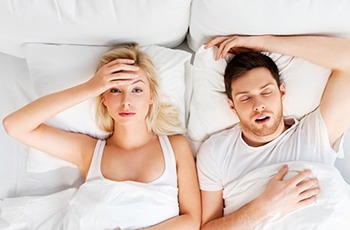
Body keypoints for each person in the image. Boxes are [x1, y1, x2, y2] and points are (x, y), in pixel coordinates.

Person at [2, 43, 201, 229]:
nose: (126, 101)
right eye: (115, 90)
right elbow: (15, 126)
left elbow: (192, 221)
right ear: (103, 98)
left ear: (151, 97)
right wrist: (90, 88)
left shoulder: (175, 146)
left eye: (137, 90)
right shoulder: (89, 152)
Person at [197, 35, 350, 229]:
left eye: (266, 92)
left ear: (282, 92)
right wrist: (265, 207)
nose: (259, 105)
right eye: (245, 98)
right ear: (232, 106)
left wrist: (263, 43)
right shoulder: (216, 152)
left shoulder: (314, 134)